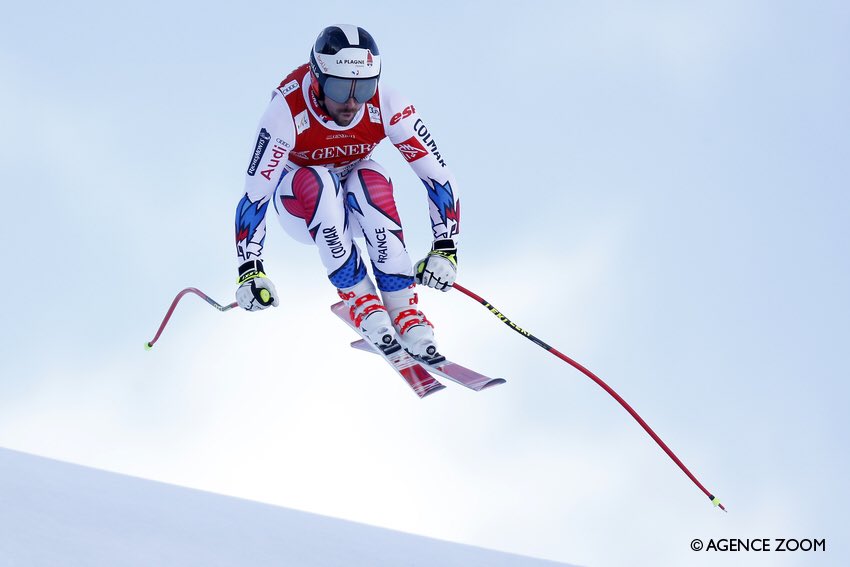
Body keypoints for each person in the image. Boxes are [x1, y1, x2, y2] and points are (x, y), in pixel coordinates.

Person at [233, 24, 460, 364]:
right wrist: (250, 270)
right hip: (300, 205)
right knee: (319, 181)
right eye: (339, 89)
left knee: (371, 177)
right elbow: (255, 197)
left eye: (365, 88)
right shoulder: (286, 112)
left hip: (353, 202)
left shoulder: (387, 104)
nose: (353, 102)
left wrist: (445, 249)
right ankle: (361, 299)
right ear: (318, 77)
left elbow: (438, 177)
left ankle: (404, 312)